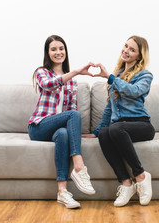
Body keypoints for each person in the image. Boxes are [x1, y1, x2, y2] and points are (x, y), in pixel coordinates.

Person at [83, 35, 155, 207]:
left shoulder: (145, 75)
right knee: (106, 133)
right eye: (125, 46)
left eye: (132, 49)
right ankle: (126, 184)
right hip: (119, 127)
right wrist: (96, 131)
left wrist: (110, 77)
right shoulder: (117, 75)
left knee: (115, 129)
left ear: (139, 56)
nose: (126, 51)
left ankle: (141, 176)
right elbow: (109, 108)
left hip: (141, 125)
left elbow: (134, 91)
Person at [28, 35, 95, 209]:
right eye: (53, 49)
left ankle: (62, 192)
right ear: (47, 52)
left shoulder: (72, 82)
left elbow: (71, 110)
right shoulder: (41, 72)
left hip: (58, 129)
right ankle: (79, 167)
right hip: (40, 127)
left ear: (65, 51)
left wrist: (77, 132)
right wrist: (76, 71)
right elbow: (50, 85)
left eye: (61, 48)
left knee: (65, 132)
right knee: (72, 114)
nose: (58, 52)